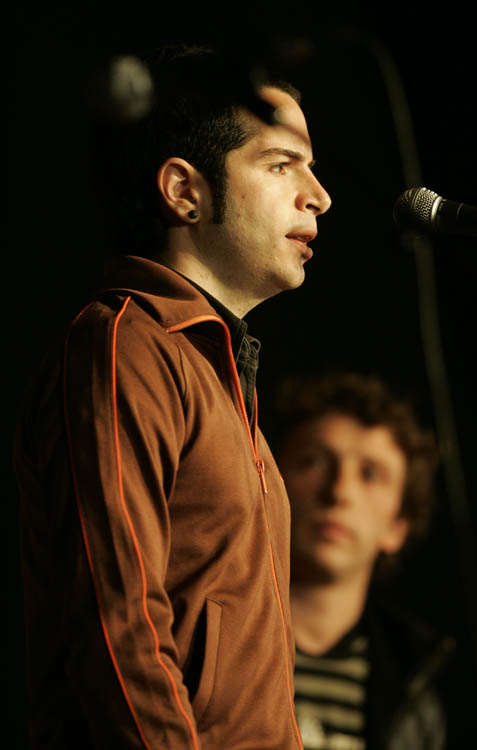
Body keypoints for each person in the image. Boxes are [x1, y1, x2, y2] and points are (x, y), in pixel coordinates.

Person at [13, 44, 331, 749]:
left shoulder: (219, 373)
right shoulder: (124, 345)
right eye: (282, 164)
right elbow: (117, 632)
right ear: (184, 191)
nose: (319, 195)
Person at [269, 373, 454, 750]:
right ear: (269, 479)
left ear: (398, 525)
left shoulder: (416, 699)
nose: (341, 491)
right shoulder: (203, 638)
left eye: (370, 474)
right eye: (314, 462)